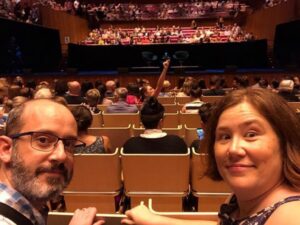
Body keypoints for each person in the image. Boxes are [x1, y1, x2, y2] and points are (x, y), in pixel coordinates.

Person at [122, 88, 300, 225]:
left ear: (285, 142)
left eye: (251, 134)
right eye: (224, 136)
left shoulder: (292, 215)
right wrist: (156, 220)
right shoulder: (238, 198)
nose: (234, 149)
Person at [0, 99, 104, 225]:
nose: (61, 156)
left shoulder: (31, 210)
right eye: (43, 140)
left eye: (69, 144)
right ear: (6, 149)